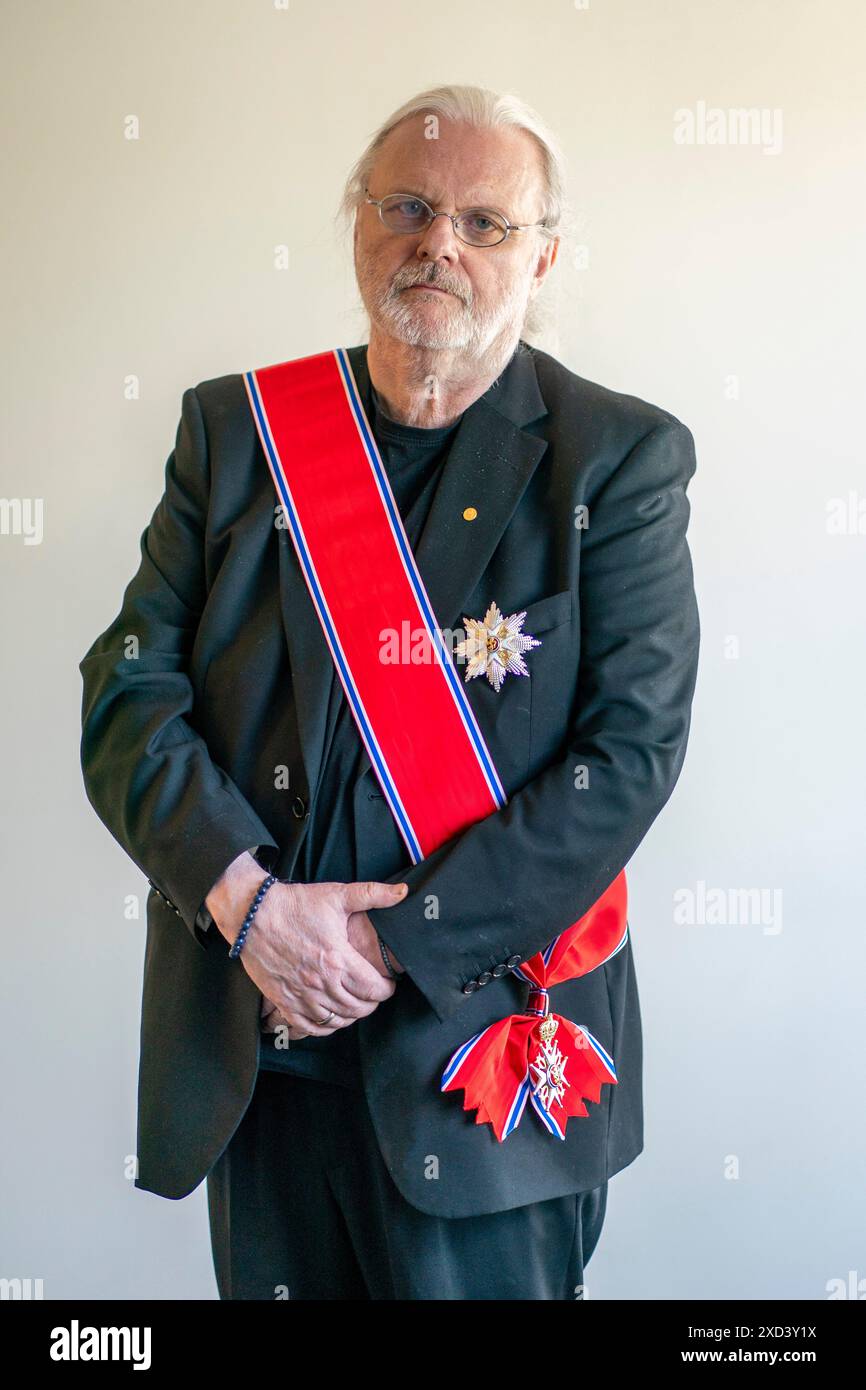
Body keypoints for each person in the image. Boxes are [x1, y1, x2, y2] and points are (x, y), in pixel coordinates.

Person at [79, 83, 700, 1300]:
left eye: (484, 221)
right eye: (407, 207)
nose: (439, 245)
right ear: (358, 225)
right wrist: (249, 906)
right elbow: (126, 692)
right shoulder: (236, 433)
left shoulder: (616, 458)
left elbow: (626, 755)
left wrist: (371, 945)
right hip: (260, 1058)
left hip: (480, 1070)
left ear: (543, 256)